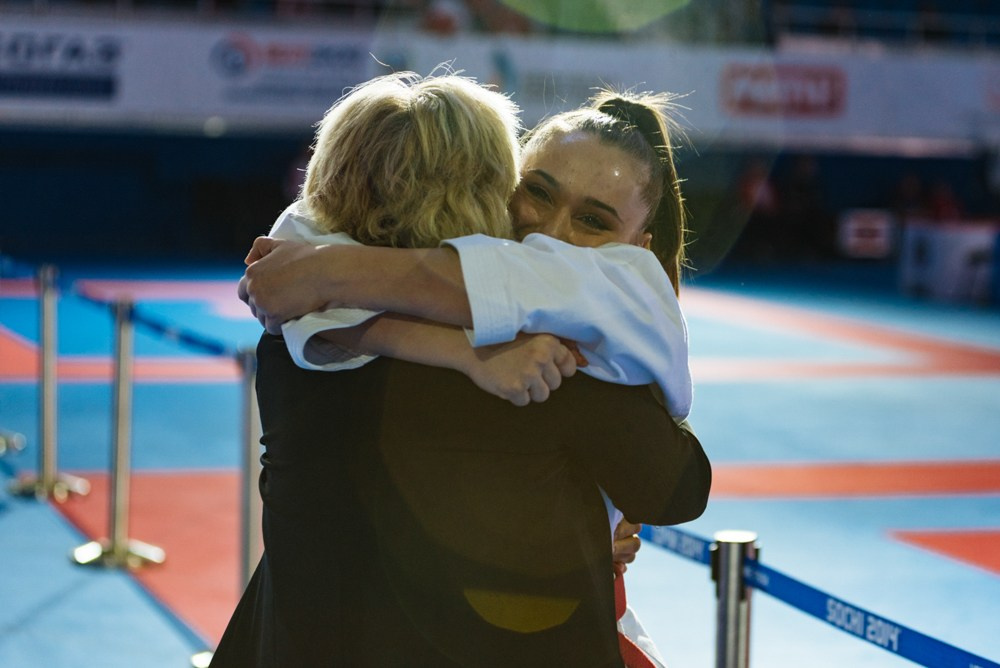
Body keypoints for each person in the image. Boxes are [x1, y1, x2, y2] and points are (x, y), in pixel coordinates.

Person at [225, 84, 709, 667]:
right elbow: (678, 486)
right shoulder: (557, 371)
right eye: (535, 193)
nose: (549, 237)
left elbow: (296, 255)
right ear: (497, 186)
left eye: (590, 221)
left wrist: (331, 274)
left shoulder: (296, 334)